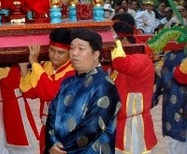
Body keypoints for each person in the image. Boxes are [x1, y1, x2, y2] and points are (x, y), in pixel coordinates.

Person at [45, 28, 121, 154]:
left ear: (96, 54)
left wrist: (61, 149)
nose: (74, 53)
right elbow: (52, 115)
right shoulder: (67, 82)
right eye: (72, 48)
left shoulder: (104, 85)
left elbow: (92, 127)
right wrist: (51, 143)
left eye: (81, 49)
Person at [19, 28, 74, 153]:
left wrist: (34, 62)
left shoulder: (72, 72)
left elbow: (49, 93)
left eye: (61, 53)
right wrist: (24, 68)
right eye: (52, 50)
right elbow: (29, 92)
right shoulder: (46, 66)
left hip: (64, 130)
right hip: (46, 128)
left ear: (70, 52)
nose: (55, 56)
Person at [110, 20, 157, 153]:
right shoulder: (128, 56)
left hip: (134, 126)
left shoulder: (141, 59)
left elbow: (120, 63)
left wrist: (113, 40)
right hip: (121, 123)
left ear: (123, 40)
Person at [0, 65, 39, 154]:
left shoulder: (15, 68)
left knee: (20, 141)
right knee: (0, 140)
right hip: (2, 108)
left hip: (16, 108)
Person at [154, 44, 187, 154]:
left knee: (176, 143)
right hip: (176, 103)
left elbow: (162, 80)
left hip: (175, 104)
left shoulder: (170, 55)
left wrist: (152, 100)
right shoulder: (171, 55)